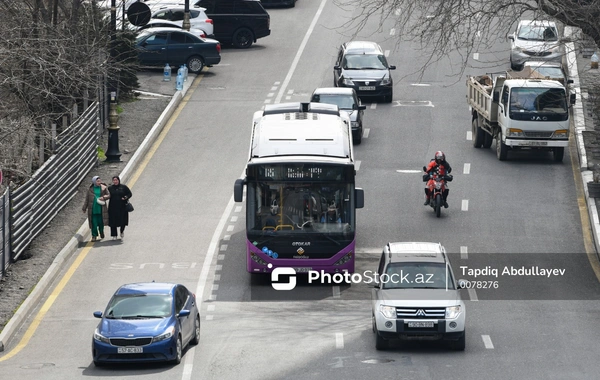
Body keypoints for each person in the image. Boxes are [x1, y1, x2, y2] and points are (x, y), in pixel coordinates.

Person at [82, 176, 110, 242]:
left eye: (100, 181)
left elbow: (108, 195)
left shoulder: (103, 188)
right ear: (94, 182)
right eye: (97, 181)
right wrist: (84, 208)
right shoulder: (90, 189)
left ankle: (101, 232)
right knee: (93, 223)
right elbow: (87, 199)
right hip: (93, 209)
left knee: (101, 222)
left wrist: (103, 197)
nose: (99, 182)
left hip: (101, 209)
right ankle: (94, 236)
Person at [108, 176, 133, 241]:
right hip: (113, 207)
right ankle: (114, 235)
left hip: (122, 207)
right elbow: (107, 194)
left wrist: (125, 197)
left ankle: (122, 231)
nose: (115, 181)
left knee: (123, 221)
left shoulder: (123, 187)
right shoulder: (110, 188)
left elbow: (129, 194)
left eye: (116, 180)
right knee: (113, 221)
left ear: (119, 180)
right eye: (114, 180)